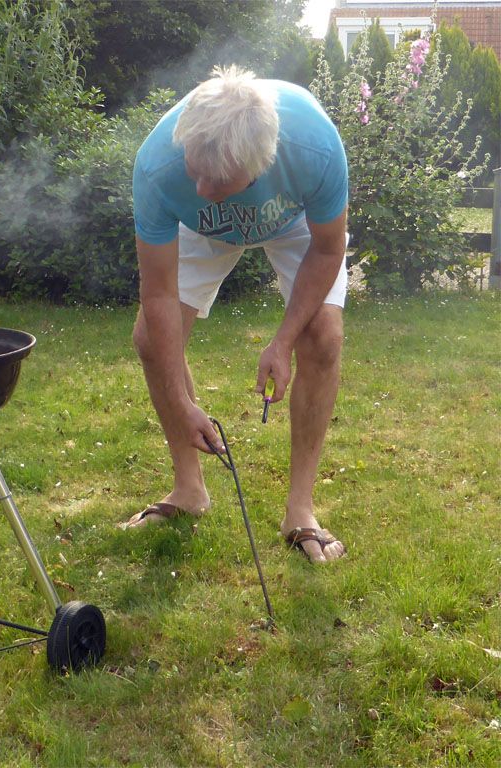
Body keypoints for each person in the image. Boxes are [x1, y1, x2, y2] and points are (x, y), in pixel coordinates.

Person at [124, 65, 348, 564]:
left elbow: (328, 249)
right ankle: (188, 490)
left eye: (219, 179)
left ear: (262, 165)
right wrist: (180, 402)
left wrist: (283, 342)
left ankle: (300, 510)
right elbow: (158, 294)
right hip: (202, 228)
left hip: (292, 221)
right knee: (151, 339)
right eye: (195, 171)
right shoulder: (159, 166)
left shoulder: (314, 147)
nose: (202, 187)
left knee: (323, 337)